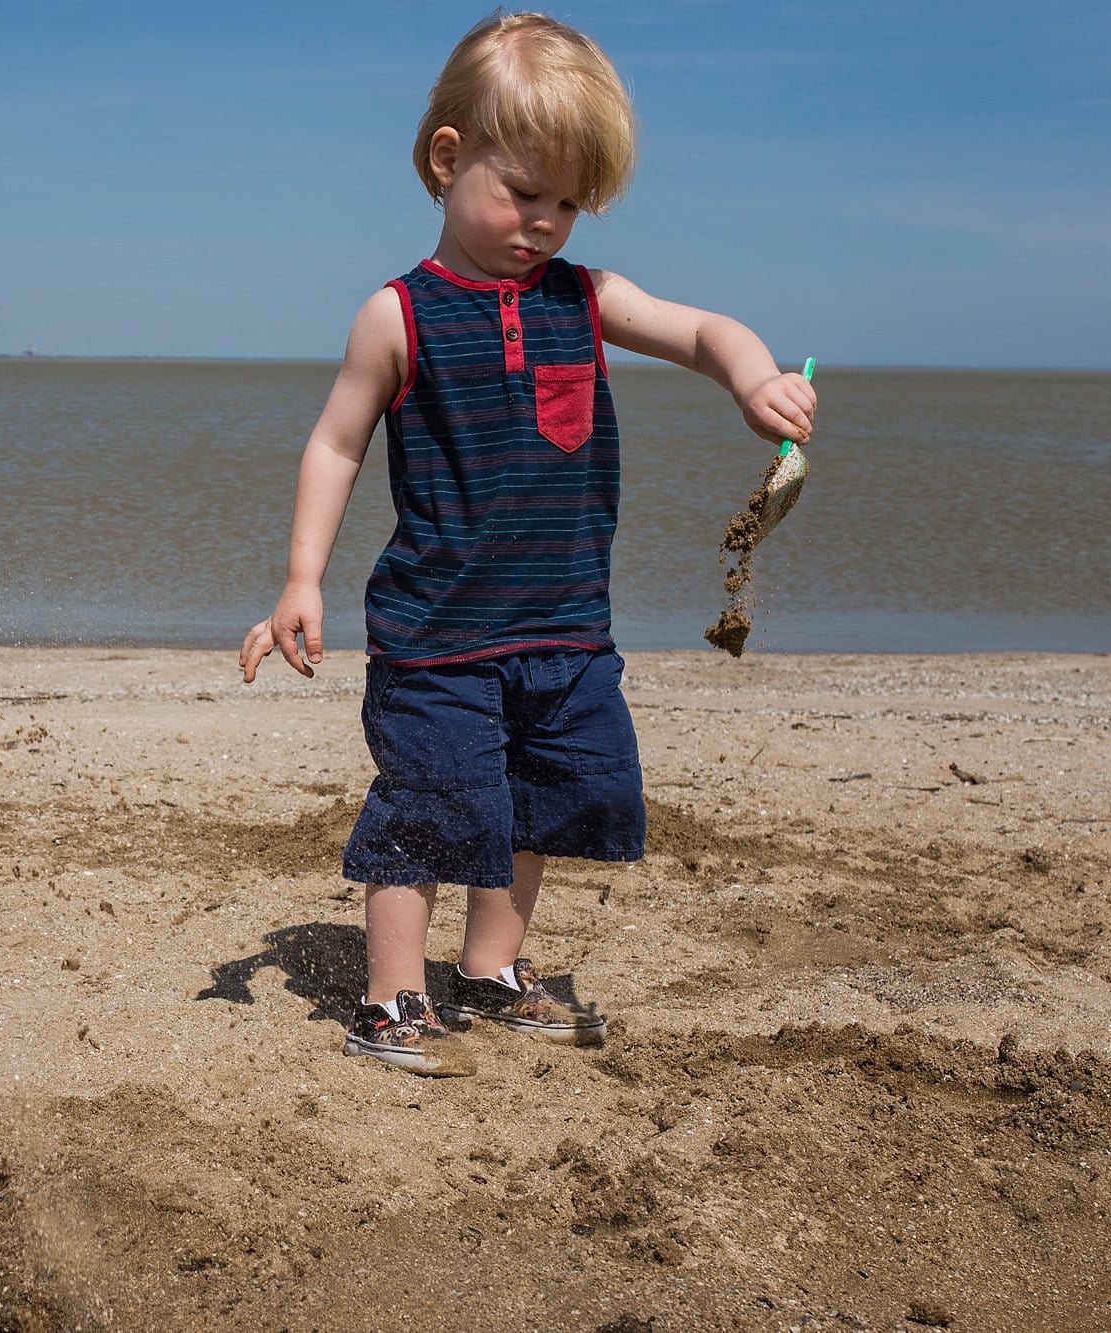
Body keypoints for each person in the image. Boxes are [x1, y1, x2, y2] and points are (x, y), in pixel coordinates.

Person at [239, 11, 817, 1075]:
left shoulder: (584, 297)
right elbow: (333, 444)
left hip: (562, 622)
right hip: (434, 626)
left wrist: (752, 377)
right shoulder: (396, 314)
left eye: (565, 202)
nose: (542, 223)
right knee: (431, 805)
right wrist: (299, 579)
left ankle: (492, 969)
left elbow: (699, 330)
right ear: (447, 159)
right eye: (521, 192)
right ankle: (390, 998)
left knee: (546, 795)